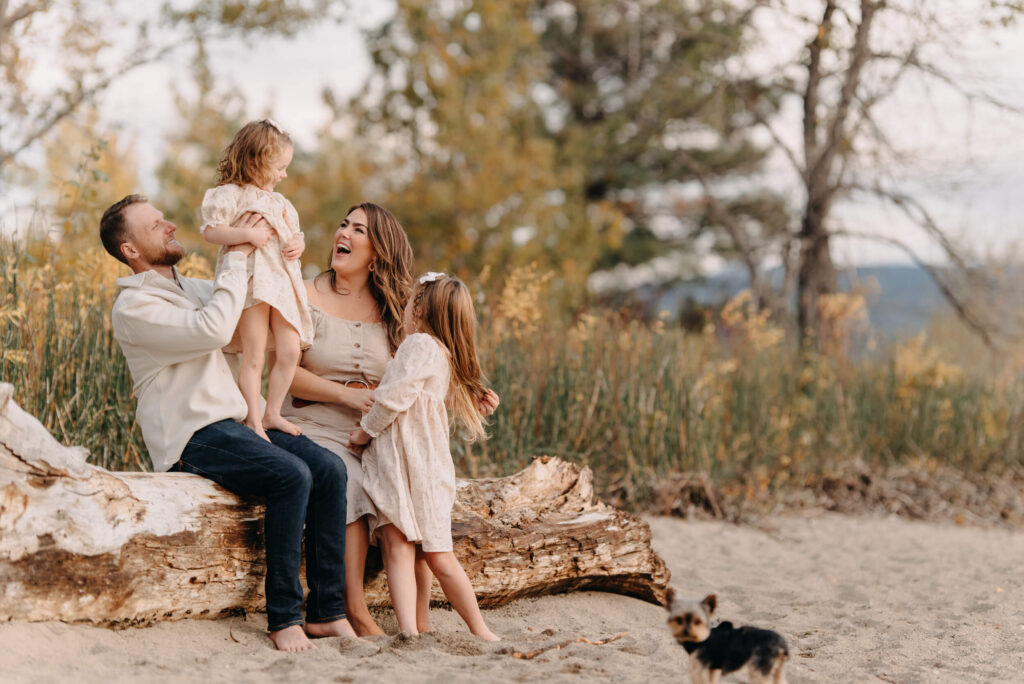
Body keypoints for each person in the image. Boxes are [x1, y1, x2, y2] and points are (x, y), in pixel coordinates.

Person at [99, 194, 355, 652]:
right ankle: (283, 618)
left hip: (240, 419)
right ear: (130, 250)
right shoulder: (133, 308)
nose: (171, 227)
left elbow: (241, 335)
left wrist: (275, 255)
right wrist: (236, 254)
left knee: (330, 470)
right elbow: (212, 331)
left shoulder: (193, 289)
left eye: (165, 220)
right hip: (194, 434)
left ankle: (326, 611)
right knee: (290, 475)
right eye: (155, 226)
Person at [281, 203, 499, 636]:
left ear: (378, 251)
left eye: (358, 229)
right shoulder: (301, 294)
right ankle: (353, 610)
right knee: (351, 481)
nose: (343, 232)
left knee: (403, 505)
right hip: (317, 425)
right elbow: (285, 372)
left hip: (378, 435)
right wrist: (348, 396)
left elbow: (421, 373)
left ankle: (418, 623)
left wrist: (469, 394)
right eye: (344, 224)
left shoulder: (398, 311)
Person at [348, 272, 500, 641]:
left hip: (401, 465)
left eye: (410, 299)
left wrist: (363, 432)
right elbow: (428, 400)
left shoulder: (417, 345)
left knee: (399, 546)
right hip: (428, 468)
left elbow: (393, 399)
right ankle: (471, 630)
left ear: (418, 307)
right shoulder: (441, 353)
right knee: (433, 553)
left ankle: (409, 632)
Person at [200, 118, 312, 441]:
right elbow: (211, 231)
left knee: (290, 350)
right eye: (280, 167)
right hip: (250, 281)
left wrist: (298, 243)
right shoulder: (230, 194)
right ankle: (253, 418)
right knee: (255, 355)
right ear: (255, 161)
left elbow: (294, 234)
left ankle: (273, 411)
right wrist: (245, 234)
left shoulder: (282, 203)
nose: (284, 174)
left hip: (281, 283)